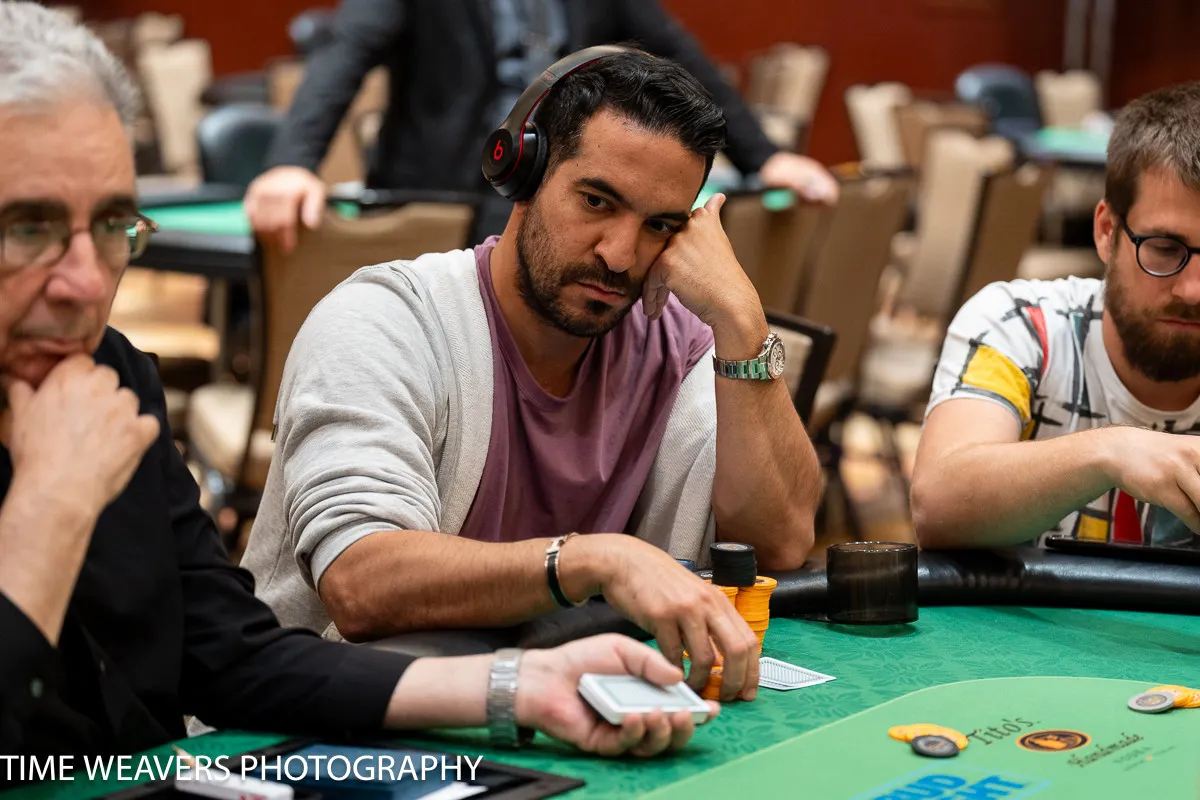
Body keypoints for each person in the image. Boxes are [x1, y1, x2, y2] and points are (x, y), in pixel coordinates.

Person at [0, 1, 714, 761]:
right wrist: (48, 515)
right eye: (29, 228)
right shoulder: (388, 319)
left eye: (112, 225)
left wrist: (519, 687)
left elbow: (231, 658)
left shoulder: (114, 378)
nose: (86, 284)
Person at [243, 47, 822, 705]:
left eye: (659, 226)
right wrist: (590, 561)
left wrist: (742, 322)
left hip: (550, 721)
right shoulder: (385, 322)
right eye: (597, 201)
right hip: (312, 730)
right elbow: (359, 582)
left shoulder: (678, 344)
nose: (620, 255)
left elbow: (781, 544)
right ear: (522, 171)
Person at [245, 0, 839, 251]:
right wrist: (291, 163)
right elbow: (346, 51)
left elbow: (678, 54)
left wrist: (766, 157)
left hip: (565, 192)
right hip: (442, 196)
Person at [911, 82, 1200, 550]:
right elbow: (937, 505)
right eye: (1165, 248)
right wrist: (1111, 450)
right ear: (1106, 232)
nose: (1192, 290)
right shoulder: (1022, 325)